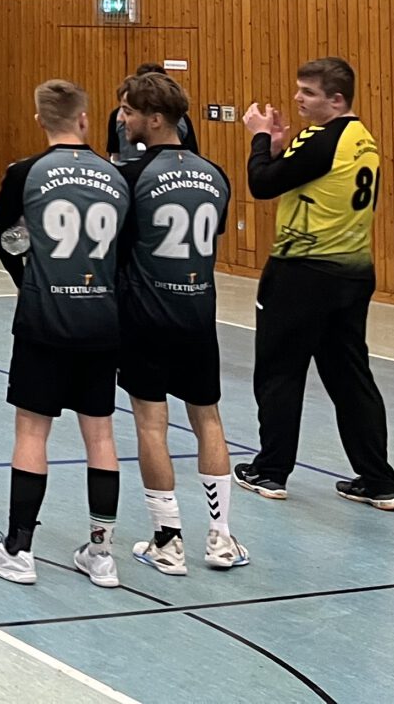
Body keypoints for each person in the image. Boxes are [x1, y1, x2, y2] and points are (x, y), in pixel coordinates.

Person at [0, 79, 128, 588]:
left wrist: (30, 282)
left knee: (32, 432)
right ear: (84, 119)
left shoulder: (25, 172)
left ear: (40, 120)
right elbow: (125, 250)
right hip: (101, 318)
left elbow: (6, 238)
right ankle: (102, 554)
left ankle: (18, 550)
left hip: (44, 318)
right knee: (101, 434)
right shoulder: (117, 176)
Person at [235, 58, 394, 510]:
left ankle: (271, 471)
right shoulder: (361, 139)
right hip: (352, 274)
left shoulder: (322, 139)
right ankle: (378, 480)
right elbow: (306, 178)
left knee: (280, 372)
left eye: (307, 92)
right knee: (351, 378)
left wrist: (261, 140)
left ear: (337, 99)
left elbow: (262, 183)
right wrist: (282, 149)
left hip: (301, 274)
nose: (297, 99)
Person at [111, 73, 250, 576]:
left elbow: (118, 247)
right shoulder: (215, 174)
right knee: (207, 418)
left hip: (145, 315)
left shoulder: (131, 176)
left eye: (128, 111)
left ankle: (168, 543)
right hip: (197, 313)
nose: (121, 118)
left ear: (154, 119)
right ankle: (221, 538)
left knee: (151, 423)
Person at [106, 63, 198, 164]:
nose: (121, 118)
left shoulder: (180, 118)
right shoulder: (117, 116)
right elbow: (114, 154)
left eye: (128, 112)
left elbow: (192, 154)